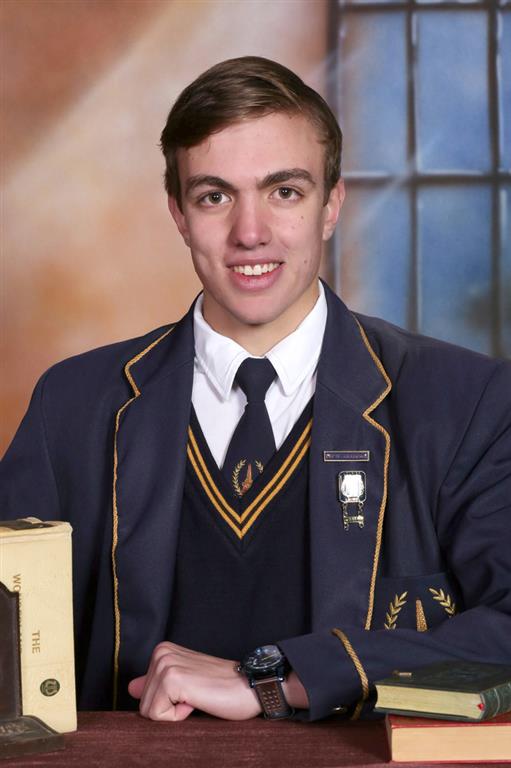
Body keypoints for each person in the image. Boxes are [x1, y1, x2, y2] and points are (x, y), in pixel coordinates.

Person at [1, 57, 510, 724]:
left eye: (284, 192)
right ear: (179, 215)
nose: (250, 233)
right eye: (214, 196)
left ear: (331, 205)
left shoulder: (466, 403)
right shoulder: (72, 405)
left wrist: (276, 679)